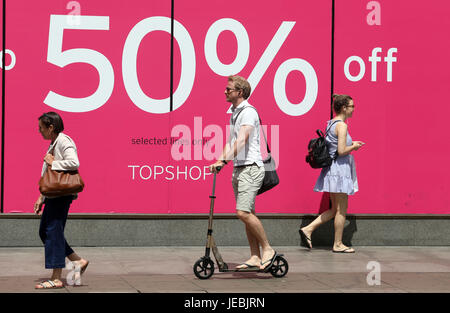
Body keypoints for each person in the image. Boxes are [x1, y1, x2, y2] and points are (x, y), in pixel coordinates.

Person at [209, 75, 277, 271]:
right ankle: (255, 256)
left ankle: (268, 249)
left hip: (251, 168)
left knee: (243, 212)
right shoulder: (236, 113)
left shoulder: (248, 112)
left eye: (228, 89)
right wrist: (219, 160)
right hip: (240, 168)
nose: (225, 91)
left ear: (240, 92)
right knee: (249, 213)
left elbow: (242, 140)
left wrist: (224, 160)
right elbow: (231, 141)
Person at [299, 94, 364, 253]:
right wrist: (354, 146)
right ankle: (338, 243)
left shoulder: (330, 123)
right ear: (344, 108)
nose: (353, 109)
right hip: (339, 171)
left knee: (335, 209)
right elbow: (341, 150)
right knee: (342, 210)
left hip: (332, 170)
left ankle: (308, 229)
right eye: (352, 106)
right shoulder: (341, 125)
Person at [34, 112, 89, 289]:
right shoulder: (54, 142)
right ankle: (77, 261)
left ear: (51, 127)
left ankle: (56, 277)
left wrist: (54, 161)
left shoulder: (64, 141)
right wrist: (41, 197)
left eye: (41, 128)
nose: (39, 131)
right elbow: (49, 176)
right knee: (45, 232)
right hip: (53, 195)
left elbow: (74, 162)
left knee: (53, 232)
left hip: (61, 196)